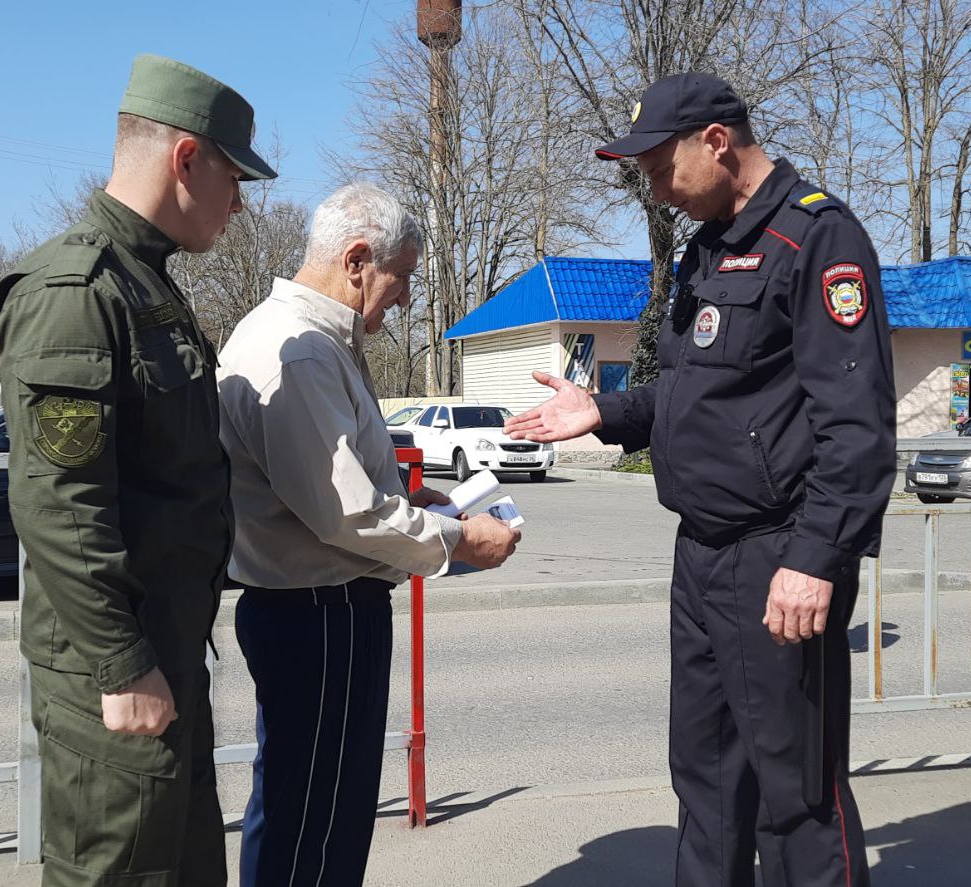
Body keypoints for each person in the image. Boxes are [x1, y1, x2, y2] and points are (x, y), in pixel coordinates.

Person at [506, 72, 895, 886]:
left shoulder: (816, 238)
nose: (655, 190)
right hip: (703, 556)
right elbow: (692, 395)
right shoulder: (706, 250)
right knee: (707, 779)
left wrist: (817, 558)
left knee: (796, 795)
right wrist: (604, 413)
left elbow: (856, 429)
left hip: (780, 554)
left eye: (659, 168)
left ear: (716, 141)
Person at [0, 53, 277, 886]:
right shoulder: (76, 290)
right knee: (118, 872)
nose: (239, 200)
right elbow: (58, 505)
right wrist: (122, 665)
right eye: (235, 176)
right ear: (187, 159)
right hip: (113, 670)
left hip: (165, 652)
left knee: (182, 868)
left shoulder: (143, 281)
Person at [217, 182, 521, 887]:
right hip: (319, 613)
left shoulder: (319, 341)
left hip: (324, 609)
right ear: (357, 260)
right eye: (403, 274)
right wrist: (457, 542)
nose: (408, 295)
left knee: (316, 808)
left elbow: (336, 482)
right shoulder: (299, 354)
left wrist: (417, 498)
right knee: (315, 820)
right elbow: (347, 513)